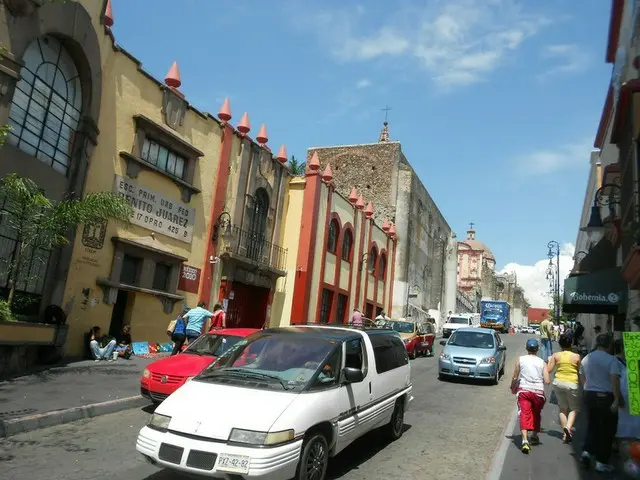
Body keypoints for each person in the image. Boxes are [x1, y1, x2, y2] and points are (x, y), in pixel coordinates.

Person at [579, 333, 623, 473]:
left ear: (597, 343)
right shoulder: (612, 360)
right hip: (605, 397)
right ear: (609, 345)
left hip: (589, 395)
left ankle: (586, 452)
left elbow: (581, 374)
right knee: (607, 430)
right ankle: (601, 462)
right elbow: (614, 380)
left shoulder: (587, 358)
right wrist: (617, 399)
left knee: (592, 425)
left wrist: (586, 387)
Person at [511, 338, 550, 454]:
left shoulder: (520, 360)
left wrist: (513, 386)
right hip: (538, 393)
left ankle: (524, 440)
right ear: (537, 349)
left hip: (524, 391)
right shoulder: (542, 362)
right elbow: (547, 381)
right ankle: (534, 435)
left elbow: (515, 377)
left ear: (526, 348)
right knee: (536, 413)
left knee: (524, 413)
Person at [546, 333, 581, 443]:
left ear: (560, 344)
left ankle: (565, 434)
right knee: (574, 408)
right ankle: (568, 428)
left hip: (558, 383)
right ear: (571, 343)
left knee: (562, 408)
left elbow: (548, 370)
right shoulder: (576, 357)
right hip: (572, 383)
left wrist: (549, 360)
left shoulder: (556, 355)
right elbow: (580, 372)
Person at [613, 339, 638, 452]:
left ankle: (632, 447)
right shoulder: (615, 361)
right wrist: (619, 397)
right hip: (623, 395)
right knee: (621, 422)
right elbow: (614, 381)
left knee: (634, 422)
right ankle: (617, 446)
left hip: (633, 395)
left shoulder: (631, 361)